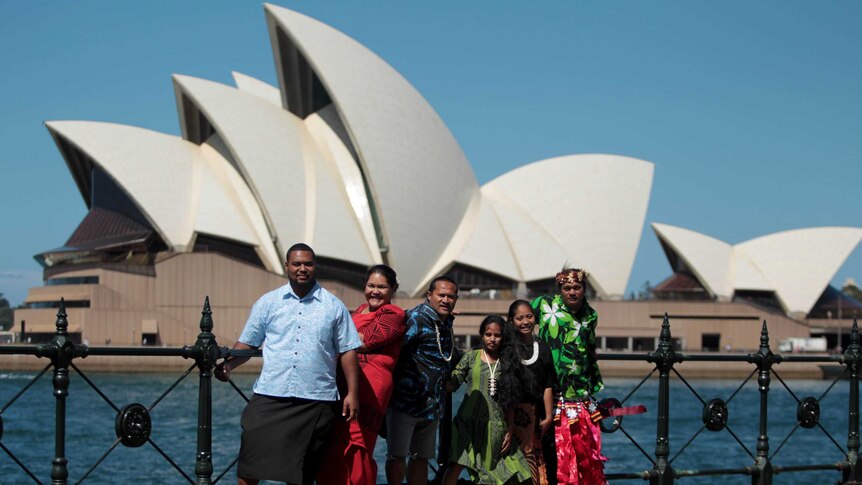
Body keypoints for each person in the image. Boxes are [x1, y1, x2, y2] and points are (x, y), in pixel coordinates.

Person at [214, 243, 362, 485]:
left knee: (302, 473)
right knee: (249, 467)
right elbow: (249, 344)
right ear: (286, 266)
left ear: (315, 267)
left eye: (308, 264)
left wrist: (353, 393)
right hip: (271, 395)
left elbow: (347, 350)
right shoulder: (268, 302)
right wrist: (229, 364)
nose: (302, 268)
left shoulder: (333, 306)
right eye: (297, 264)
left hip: (316, 399)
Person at [317, 264, 407, 485]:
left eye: (382, 287)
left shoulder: (395, 315)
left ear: (393, 289)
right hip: (343, 383)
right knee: (337, 440)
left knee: (358, 442)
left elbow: (363, 341)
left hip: (371, 386)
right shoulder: (357, 311)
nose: (375, 291)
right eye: (371, 285)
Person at [532, 268, 605, 485]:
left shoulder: (591, 315)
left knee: (580, 451)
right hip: (546, 386)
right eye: (567, 288)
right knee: (548, 447)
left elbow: (589, 347)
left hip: (578, 390)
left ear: (584, 289)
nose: (572, 292)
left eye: (577, 287)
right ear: (559, 290)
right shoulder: (544, 305)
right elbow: (519, 320)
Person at [386, 276, 460, 485]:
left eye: (451, 296)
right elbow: (394, 351)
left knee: (422, 457)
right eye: (441, 295)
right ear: (430, 295)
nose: (446, 300)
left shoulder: (445, 322)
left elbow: (446, 356)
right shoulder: (416, 318)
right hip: (406, 403)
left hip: (432, 405)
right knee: (397, 455)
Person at [441, 315, 532, 485]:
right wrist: (443, 379)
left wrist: (510, 429)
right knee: (457, 463)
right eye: (488, 334)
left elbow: (510, 401)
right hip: (467, 423)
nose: (492, 339)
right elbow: (455, 381)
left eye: (497, 335)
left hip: (495, 426)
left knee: (500, 472)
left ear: (503, 337)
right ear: (481, 335)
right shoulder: (471, 357)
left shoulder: (507, 363)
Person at [508, 299, 556, 485]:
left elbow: (547, 384)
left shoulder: (543, 347)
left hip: (536, 417)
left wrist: (549, 416)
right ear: (511, 321)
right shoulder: (507, 347)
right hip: (511, 415)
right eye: (519, 318)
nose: (525, 321)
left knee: (535, 466)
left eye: (529, 316)